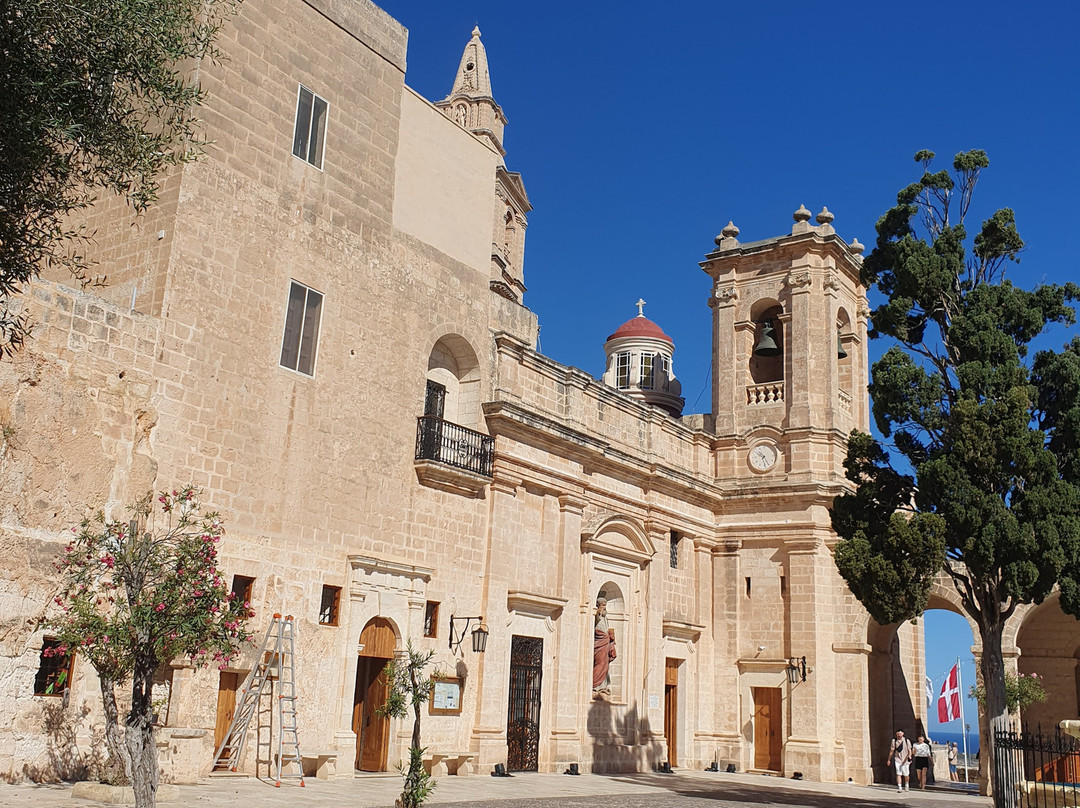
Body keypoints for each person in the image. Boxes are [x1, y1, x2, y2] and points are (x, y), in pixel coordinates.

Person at [592, 593, 617, 698]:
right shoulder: (598, 616)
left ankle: (602, 687)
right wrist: (599, 611)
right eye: (603, 606)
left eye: (605, 606)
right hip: (600, 643)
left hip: (605, 643)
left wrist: (610, 635)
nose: (605, 608)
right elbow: (596, 618)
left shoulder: (605, 618)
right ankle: (594, 685)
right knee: (600, 663)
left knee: (605, 665)